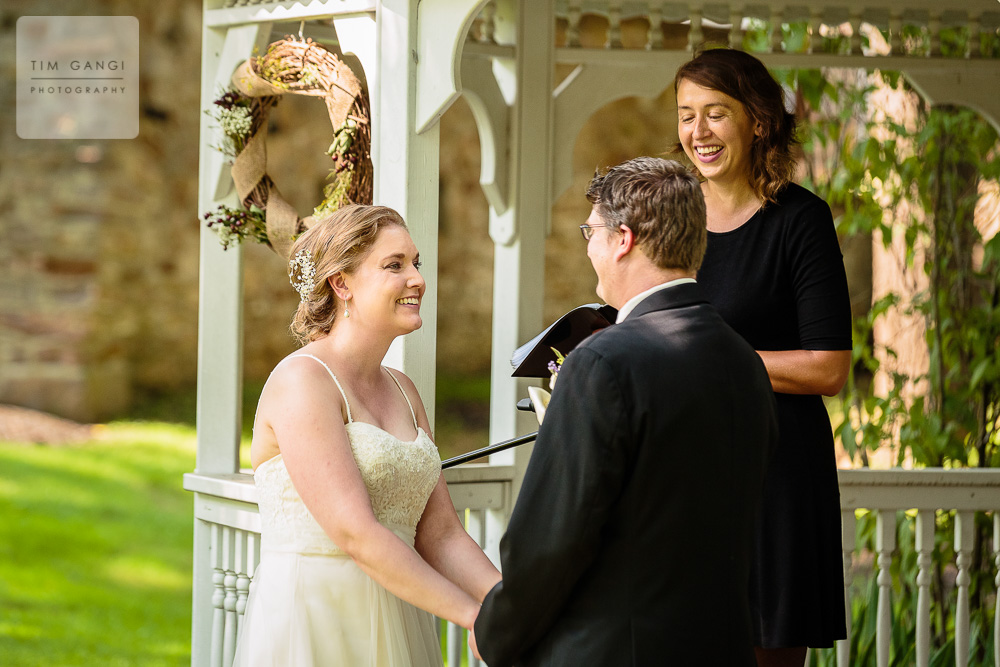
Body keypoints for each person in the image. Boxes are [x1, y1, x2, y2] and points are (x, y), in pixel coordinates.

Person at [472, 157, 779, 666]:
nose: (588, 246)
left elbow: (549, 543)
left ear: (623, 239)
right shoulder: (743, 361)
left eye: (590, 231)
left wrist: (496, 631)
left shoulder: (601, 363)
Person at [232, 204, 501, 667]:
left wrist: (510, 605)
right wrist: (473, 616)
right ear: (342, 284)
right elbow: (354, 532)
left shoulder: (404, 390)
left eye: (416, 263)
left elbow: (440, 533)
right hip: (318, 618)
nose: (416, 278)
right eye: (394, 265)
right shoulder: (303, 381)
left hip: (398, 612)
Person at [673, 48, 853, 666]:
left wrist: (717, 357)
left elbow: (829, 367)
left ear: (756, 120)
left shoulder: (801, 220)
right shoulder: (669, 217)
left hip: (776, 475)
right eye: (686, 114)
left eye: (715, 114)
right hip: (683, 474)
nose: (698, 132)